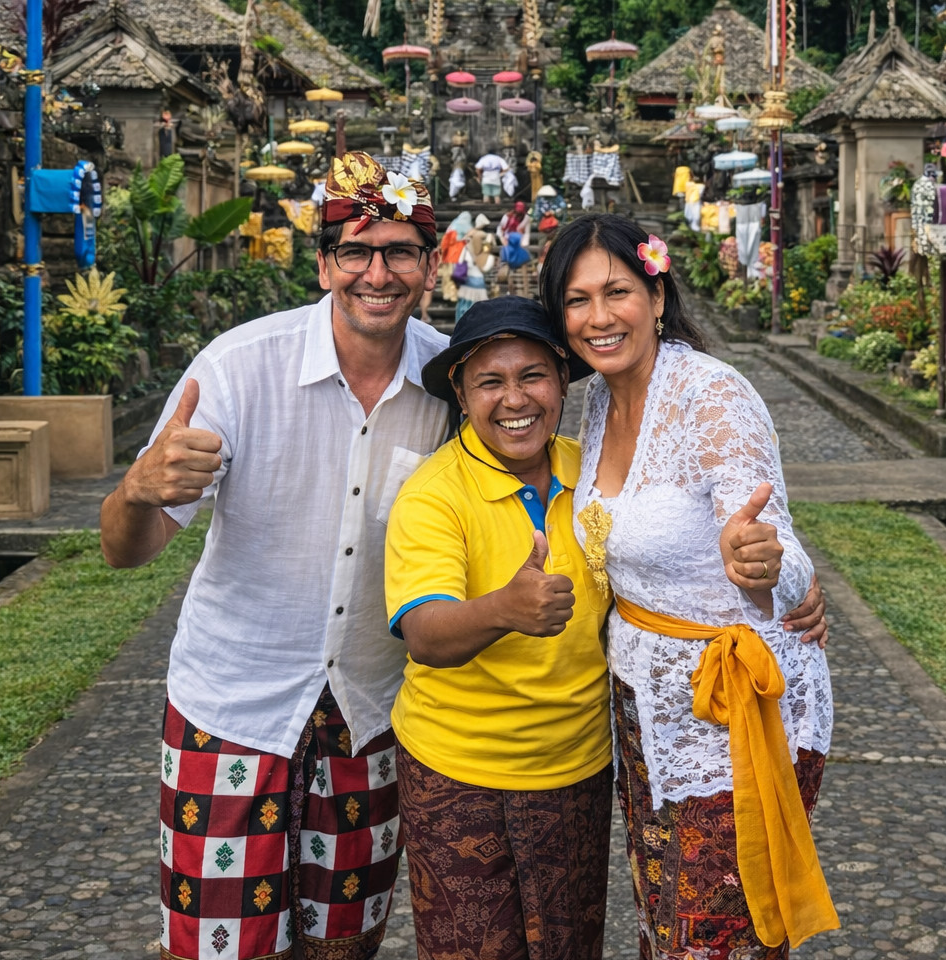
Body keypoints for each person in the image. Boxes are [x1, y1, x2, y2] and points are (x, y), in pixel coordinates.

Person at [99, 151, 449, 960]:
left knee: (344, 947)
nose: (377, 274)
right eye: (356, 252)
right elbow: (125, 551)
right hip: (232, 706)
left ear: (431, 267)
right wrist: (137, 491)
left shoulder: (450, 384)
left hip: (371, 713)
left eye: (400, 252)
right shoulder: (239, 368)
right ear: (324, 265)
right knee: (220, 947)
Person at [538, 213, 839, 960]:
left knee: (717, 934)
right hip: (644, 702)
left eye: (617, 292)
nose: (598, 317)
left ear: (658, 295)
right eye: (576, 300)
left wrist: (765, 565)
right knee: (663, 912)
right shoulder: (599, 397)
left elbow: (774, 542)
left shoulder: (712, 396)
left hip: (732, 706)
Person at [383, 296, 610, 960]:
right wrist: (504, 609)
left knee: (571, 947)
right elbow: (426, 634)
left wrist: (789, 587)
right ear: (461, 394)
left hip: (577, 765)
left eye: (533, 375)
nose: (515, 399)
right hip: (459, 774)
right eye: (490, 382)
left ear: (562, 380)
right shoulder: (433, 495)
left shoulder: (593, 473)